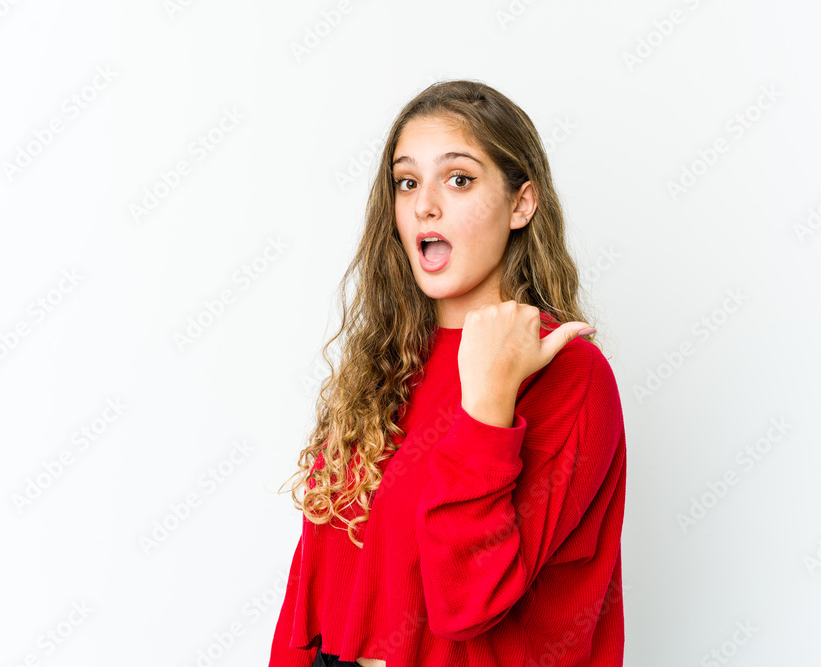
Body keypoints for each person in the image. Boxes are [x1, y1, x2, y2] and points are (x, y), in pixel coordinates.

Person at [268, 79, 627, 667]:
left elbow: (466, 606)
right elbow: (315, 583)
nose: (424, 205)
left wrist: (487, 404)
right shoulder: (385, 362)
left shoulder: (569, 375)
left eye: (458, 179)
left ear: (521, 203)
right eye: (407, 182)